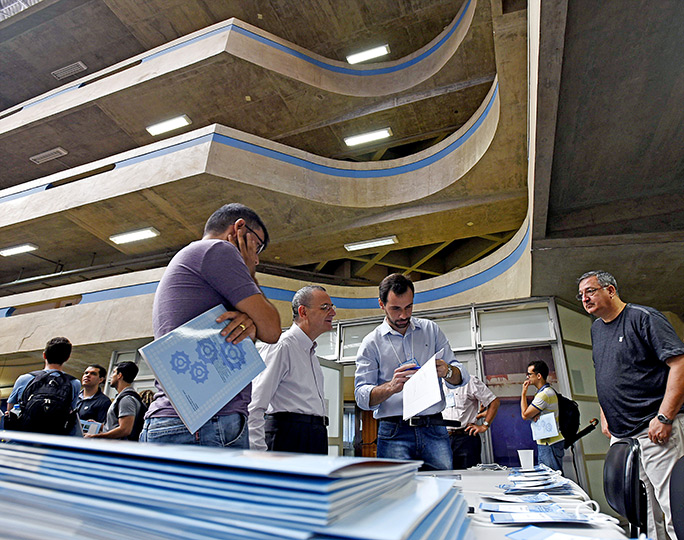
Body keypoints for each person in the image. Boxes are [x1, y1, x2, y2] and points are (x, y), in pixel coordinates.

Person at [140, 203, 281, 447]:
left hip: (192, 421)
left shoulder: (195, 255)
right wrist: (248, 274)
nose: (256, 258)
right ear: (239, 228)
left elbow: (257, 330)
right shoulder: (218, 250)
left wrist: (250, 324)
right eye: (256, 246)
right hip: (203, 424)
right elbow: (272, 330)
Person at [578, 270, 684, 540]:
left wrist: (665, 416)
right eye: (581, 295)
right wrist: (605, 414)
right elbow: (605, 373)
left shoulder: (643, 318)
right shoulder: (596, 329)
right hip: (622, 434)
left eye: (590, 291)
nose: (584, 298)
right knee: (642, 512)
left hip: (654, 426)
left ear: (611, 290)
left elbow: (679, 363)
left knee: (674, 508)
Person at [354, 273, 469, 470]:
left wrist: (448, 371)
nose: (403, 315)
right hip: (393, 430)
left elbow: (460, 376)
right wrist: (390, 387)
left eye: (409, 307)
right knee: (396, 495)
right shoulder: (371, 343)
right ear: (381, 305)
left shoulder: (430, 330)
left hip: (434, 427)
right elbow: (361, 396)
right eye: (395, 309)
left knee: (442, 490)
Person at [249, 285, 334, 454]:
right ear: (303, 312)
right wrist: (257, 454)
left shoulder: (311, 354)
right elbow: (255, 404)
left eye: (332, 308)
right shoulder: (281, 346)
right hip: (288, 436)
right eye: (325, 308)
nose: (332, 313)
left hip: (315, 435)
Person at [4, 337, 81, 435]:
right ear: (67, 358)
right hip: (54, 439)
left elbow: (10, 410)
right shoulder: (74, 383)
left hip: (25, 437)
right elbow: (70, 412)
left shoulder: (25, 379)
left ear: (44, 355)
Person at [443, 375, 500, 469]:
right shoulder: (437, 383)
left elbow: (494, 402)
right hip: (443, 438)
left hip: (465, 436)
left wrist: (484, 425)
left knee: (469, 474)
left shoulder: (470, 381)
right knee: (445, 475)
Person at [520, 360, 565, 472]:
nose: (527, 377)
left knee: (550, 477)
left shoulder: (544, 394)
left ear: (539, 375)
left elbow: (525, 415)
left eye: (529, 374)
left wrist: (523, 393)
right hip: (548, 441)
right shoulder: (545, 392)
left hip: (549, 442)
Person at [87, 362, 145, 440]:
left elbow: (125, 430)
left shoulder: (126, 399)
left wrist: (97, 436)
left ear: (119, 375)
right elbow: (117, 426)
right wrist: (101, 426)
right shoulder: (123, 397)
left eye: (113, 372)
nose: (111, 376)